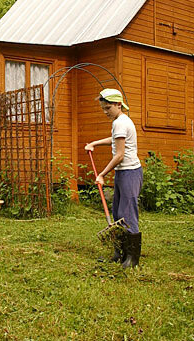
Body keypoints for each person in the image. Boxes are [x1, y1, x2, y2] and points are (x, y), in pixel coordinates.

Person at [84, 88, 142, 269]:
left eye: (108, 108)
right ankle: (119, 252)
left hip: (130, 172)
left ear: (118, 105)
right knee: (118, 213)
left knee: (128, 214)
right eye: (103, 108)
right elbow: (115, 139)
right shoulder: (120, 121)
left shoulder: (121, 123)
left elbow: (120, 155)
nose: (105, 112)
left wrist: (101, 174)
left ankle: (132, 259)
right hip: (123, 173)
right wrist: (95, 143)